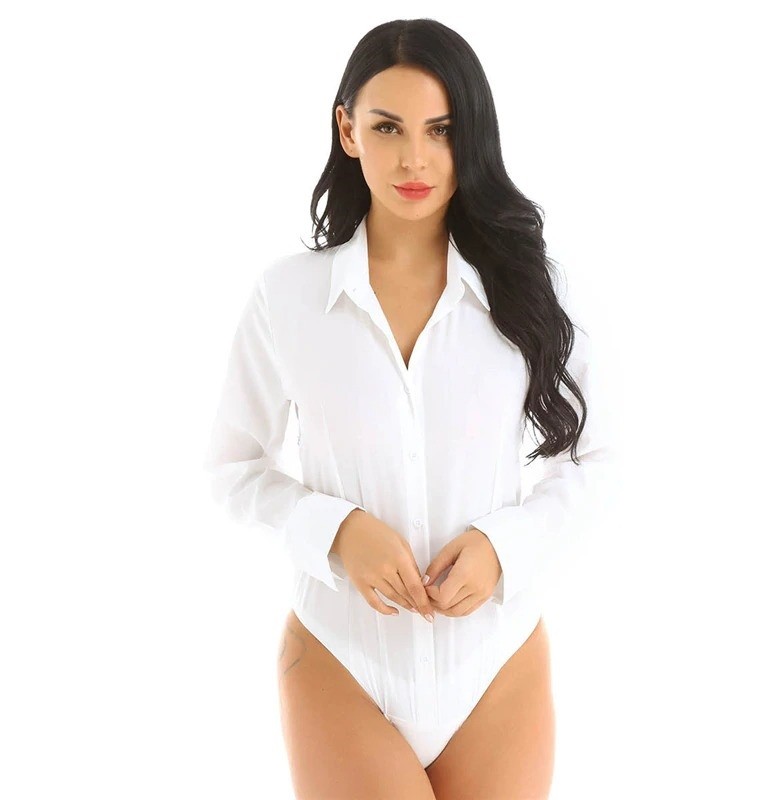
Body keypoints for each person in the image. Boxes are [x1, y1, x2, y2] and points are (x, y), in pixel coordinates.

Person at [203, 17, 612, 800]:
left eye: (441, 130)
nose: (414, 158)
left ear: (471, 136)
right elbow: (230, 466)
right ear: (347, 130)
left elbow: (604, 457)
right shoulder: (287, 297)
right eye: (388, 127)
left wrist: (505, 546)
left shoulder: (535, 288)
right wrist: (334, 531)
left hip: (495, 662)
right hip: (340, 660)